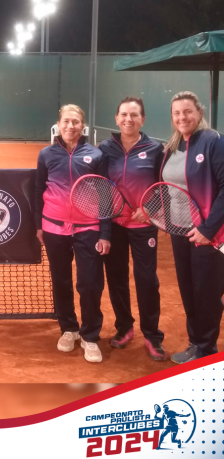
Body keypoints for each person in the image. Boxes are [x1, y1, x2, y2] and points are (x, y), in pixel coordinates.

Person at [35, 104, 111, 363]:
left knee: (90, 283)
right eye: (66, 121)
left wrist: (105, 232)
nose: (70, 126)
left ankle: (90, 336)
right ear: (58, 124)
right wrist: (38, 225)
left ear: (83, 126)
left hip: (89, 228)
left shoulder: (96, 155)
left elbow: (105, 194)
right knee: (61, 281)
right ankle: (69, 328)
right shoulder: (46, 154)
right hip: (54, 228)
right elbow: (38, 190)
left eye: (75, 122)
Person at [99, 97, 166, 361]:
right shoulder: (105, 149)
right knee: (116, 278)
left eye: (134, 115)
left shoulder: (155, 149)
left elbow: (164, 187)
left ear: (143, 119)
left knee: (147, 279)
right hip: (114, 224)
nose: (129, 119)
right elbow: (102, 190)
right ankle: (124, 327)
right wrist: (104, 231)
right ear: (116, 118)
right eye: (124, 115)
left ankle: (152, 335)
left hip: (143, 225)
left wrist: (150, 209)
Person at [160, 91, 224, 364]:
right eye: (176, 113)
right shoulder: (173, 146)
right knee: (188, 291)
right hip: (180, 231)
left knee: (206, 294)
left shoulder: (213, 141)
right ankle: (195, 343)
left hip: (207, 235)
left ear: (199, 113)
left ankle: (206, 350)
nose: (182, 117)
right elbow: (167, 187)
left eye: (187, 111)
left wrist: (208, 230)